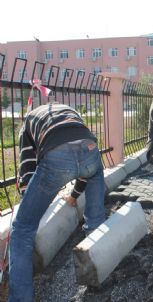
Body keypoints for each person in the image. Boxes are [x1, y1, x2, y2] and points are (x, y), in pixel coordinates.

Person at [9, 103, 106, 302]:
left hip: (57, 155)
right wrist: (73, 196)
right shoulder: (68, 111)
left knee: (22, 229)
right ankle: (100, 279)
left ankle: (21, 298)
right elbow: (83, 167)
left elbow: (27, 170)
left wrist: (29, 202)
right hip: (91, 150)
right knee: (95, 222)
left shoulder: (28, 123)